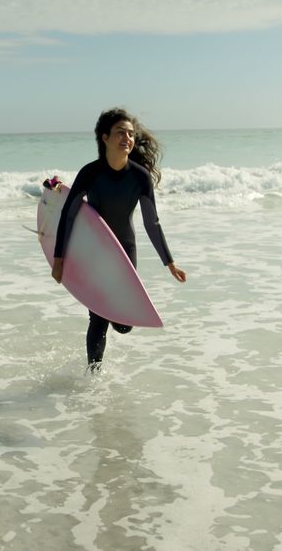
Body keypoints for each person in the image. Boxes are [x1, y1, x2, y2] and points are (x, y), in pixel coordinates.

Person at [51, 108, 187, 373]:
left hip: (124, 251)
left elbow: (152, 222)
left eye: (131, 134)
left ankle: (113, 319)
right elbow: (68, 215)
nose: (127, 137)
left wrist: (169, 262)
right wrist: (59, 260)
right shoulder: (90, 173)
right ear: (104, 138)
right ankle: (93, 376)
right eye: (120, 132)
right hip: (95, 253)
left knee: (124, 325)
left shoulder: (139, 177)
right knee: (98, 317)